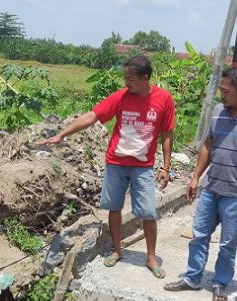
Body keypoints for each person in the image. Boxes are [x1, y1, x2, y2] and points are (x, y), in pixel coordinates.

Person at [39, 55, 175, 279]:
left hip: (143, 166)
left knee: (149, 213)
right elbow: (93, 116)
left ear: (145, 78)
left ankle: (151, 257)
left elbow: (167, 133)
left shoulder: (164, 100)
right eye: (125, 78)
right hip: (116, 163)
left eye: (130, 79)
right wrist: (62, 134)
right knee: (114, 208)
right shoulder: (121, 97)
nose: (126, 83)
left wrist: (166, 167)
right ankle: (117, 250)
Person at [164, 68, 237, 301]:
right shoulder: (217, 112)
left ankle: (220, 283)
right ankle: (192, 278)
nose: (221, 96)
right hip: (211, 188)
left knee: (227, 243)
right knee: (199, 235)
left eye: (225, 91)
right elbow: (208, 145)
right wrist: (195, 177)